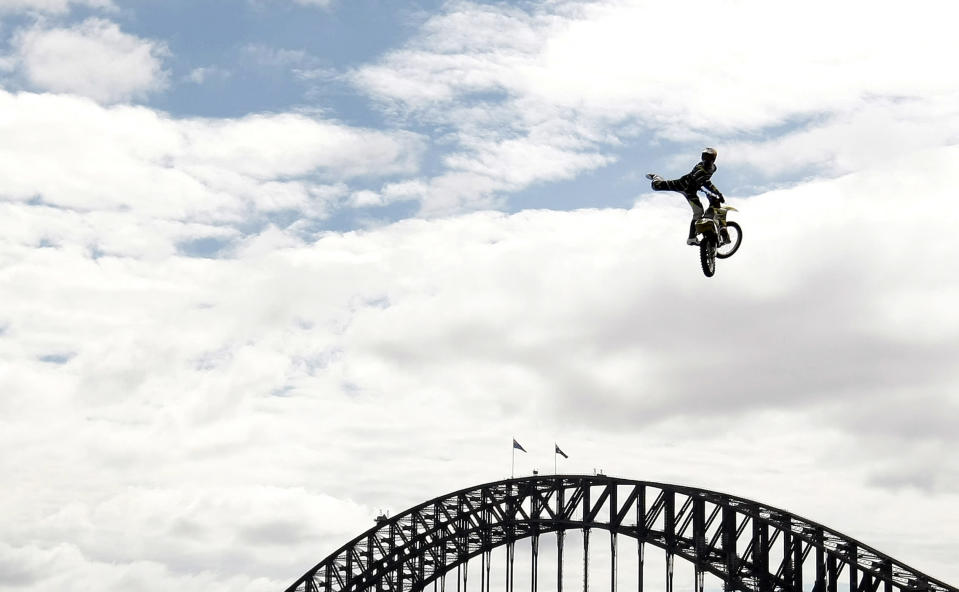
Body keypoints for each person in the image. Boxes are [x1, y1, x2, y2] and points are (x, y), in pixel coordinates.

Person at [646, 148, 724, 245]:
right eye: (704, 156)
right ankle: (656, 178)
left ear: (713, 158)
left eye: (708, 157)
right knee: (656, 186)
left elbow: (706, 181)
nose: (705, 159)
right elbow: (700, 181)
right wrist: (710, 191)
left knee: (698, 212)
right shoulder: (700, 168)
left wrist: (718, 193)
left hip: (691, 191)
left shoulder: (713, 168)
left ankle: (692, 238)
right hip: (682, 185)